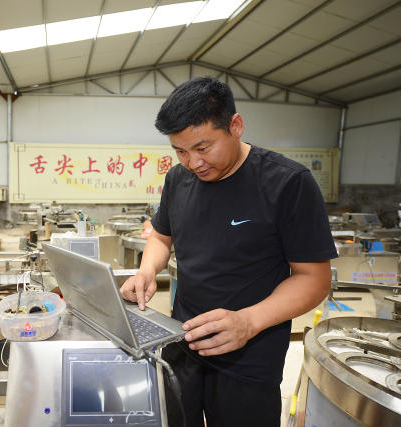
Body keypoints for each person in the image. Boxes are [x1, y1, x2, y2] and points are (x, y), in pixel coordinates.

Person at [120, 77, 337, 426]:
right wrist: (147, 272)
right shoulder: (178, 179)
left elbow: (314, 279)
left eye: (203, 147)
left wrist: (248, 322)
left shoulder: (287, 183)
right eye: (180, 150)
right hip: (183, 341)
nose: (193, 162)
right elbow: (162, 236)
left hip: (248, 357)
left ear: (235, 126)